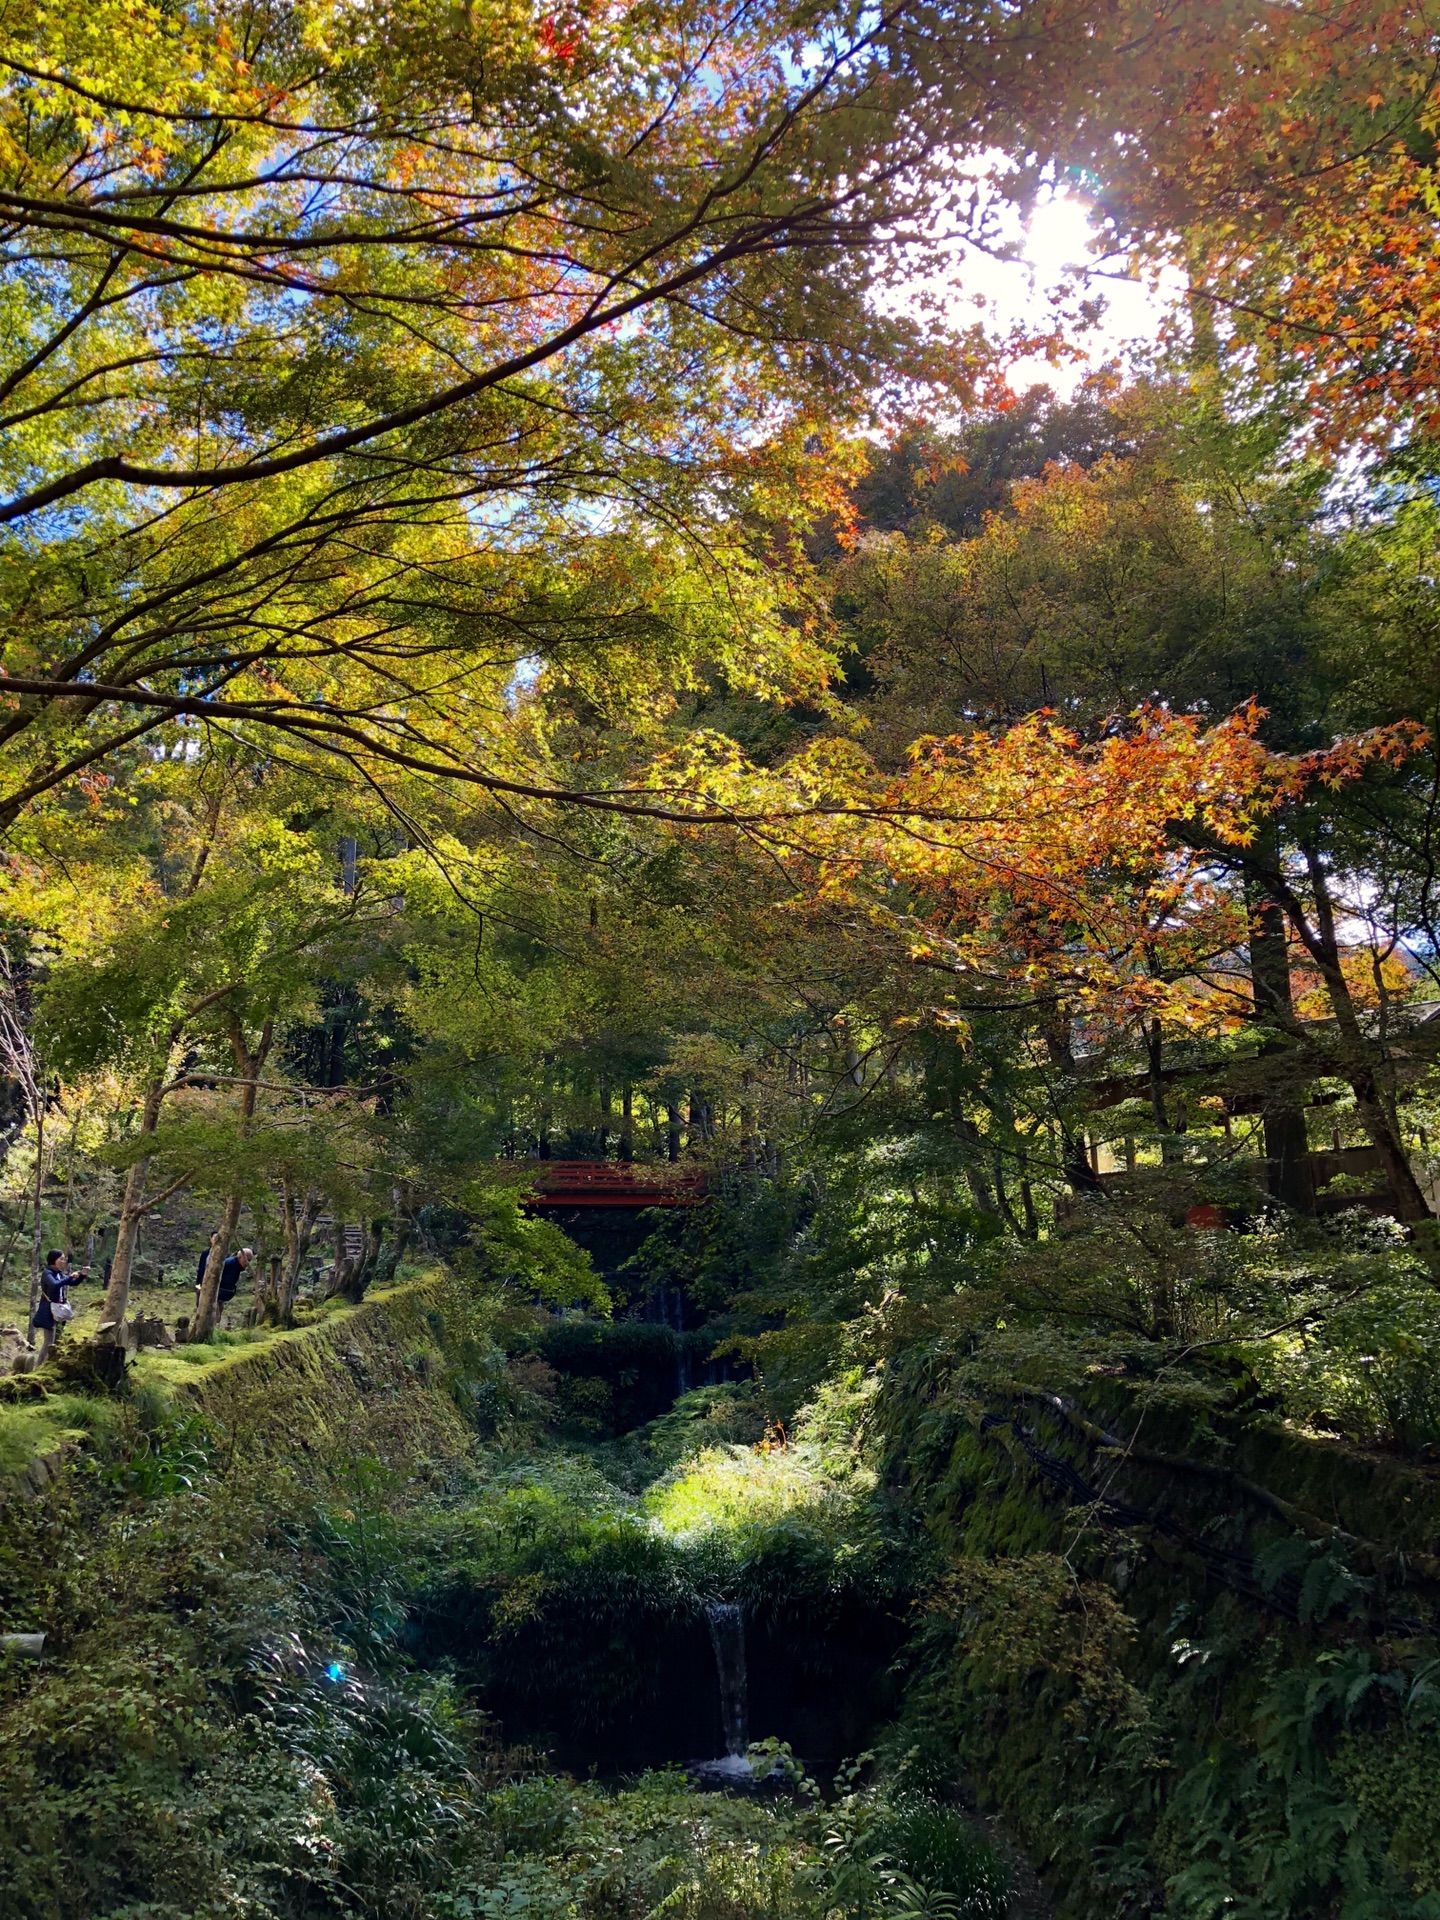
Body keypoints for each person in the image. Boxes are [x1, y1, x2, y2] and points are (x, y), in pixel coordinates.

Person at [32, 1250, 83, 1362]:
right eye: (61, 1259)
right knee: (49, 1342)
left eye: (64, 1259)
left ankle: (51, 1364)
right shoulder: (47, 1273)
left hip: (59, 1310)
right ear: (53, 1260)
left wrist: (82, 1275)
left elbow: (73, 1283)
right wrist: (69, 1277)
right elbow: (54, 1285)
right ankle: (39, 1366)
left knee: (58, 1340)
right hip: (48, 1310)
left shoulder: (58, 1273)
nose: (63, 1261)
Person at [194, 1243, 255, 1317]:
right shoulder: (230, 1264)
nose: (248, 1263)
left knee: (219, 1308)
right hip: (215, 1293)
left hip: (220, 1294)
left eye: (250, 1260)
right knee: (214, 1311)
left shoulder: (237, 1265)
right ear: (240, 1258)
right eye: (247, 1260)